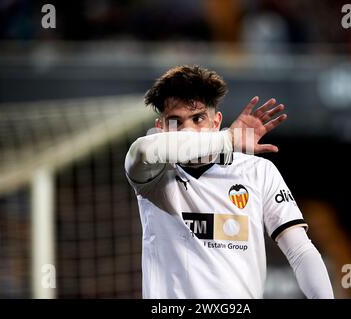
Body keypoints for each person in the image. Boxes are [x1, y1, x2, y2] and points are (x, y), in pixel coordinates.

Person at [125, 65, 334, 299]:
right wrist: (228, 139)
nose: (189, 130)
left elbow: (300, 251)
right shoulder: (154, 175)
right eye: (175, 122)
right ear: (160, 128)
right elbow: (142, 151)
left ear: (216, 122)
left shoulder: (257, 171)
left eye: (198, 118)